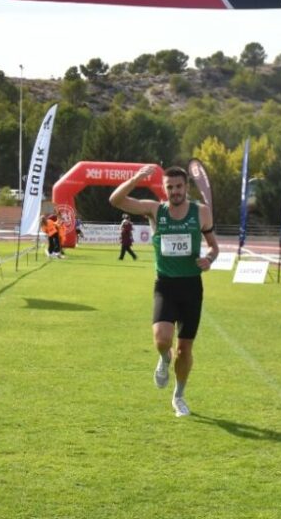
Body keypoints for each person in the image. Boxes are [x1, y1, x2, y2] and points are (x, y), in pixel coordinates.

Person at [109, 165, 219, 417]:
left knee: (185, 349)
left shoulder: (201, 212)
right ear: (164, 188)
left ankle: (179, 396)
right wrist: (137, 178)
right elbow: (115, 200)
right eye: (170, 187)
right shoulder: (156, 210)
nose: (175, 191)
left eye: (179, 186)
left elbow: (213, 246)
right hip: (166, 285)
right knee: (162, 340)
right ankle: (164, 358)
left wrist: (209, 259)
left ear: (186, 187)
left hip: (192, 287)